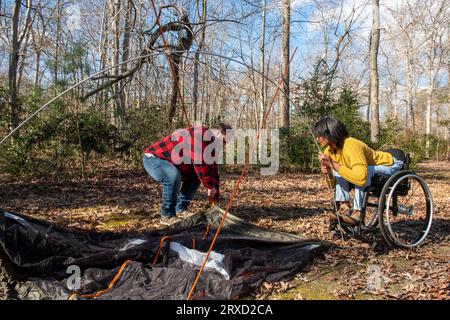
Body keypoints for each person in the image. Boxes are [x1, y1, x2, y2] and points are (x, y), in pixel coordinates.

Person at [312, 116, 404, 225]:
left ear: (329, 133)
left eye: (319, 135)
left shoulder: (351, 145)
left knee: (364, 171)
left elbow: (361, 178)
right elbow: (332, 186)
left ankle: (358, 212)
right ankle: (345, 207)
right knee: (339, 172)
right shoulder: (329, 151)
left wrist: (333, 164)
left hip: (390, 164)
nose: (317, 139)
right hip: (368, 169)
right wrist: (329, 172)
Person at [143, 123, 232, 226]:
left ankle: (181, 209)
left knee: (196, 177)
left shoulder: (212, 148)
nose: (224, 146)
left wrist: (214, 196)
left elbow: (213, 172)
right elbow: (199, 163)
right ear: (217, 133)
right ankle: (167, 215)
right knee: (173, 176)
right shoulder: (199, 134)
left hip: (174, 165)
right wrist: (208, 186)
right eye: (224, 141)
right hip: (154, 159)